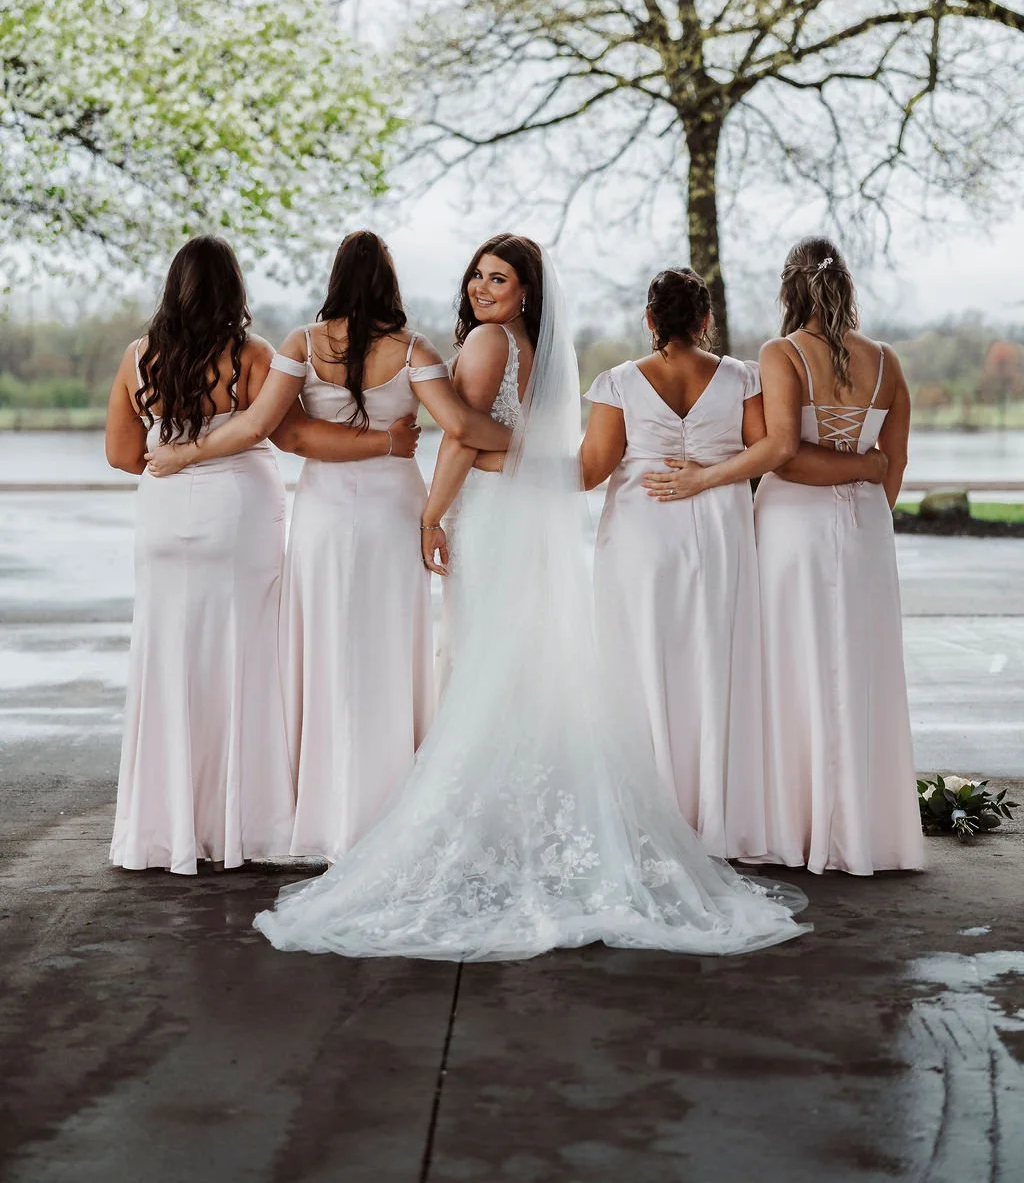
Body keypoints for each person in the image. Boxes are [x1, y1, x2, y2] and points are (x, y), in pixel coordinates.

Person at [250, 237, 809, 962]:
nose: (483, 288)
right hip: (528, 516)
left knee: (483, 665)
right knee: (521, 666)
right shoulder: (534, 344)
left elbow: (456, 435)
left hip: (490, 516)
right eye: (478, 274)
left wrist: (431, 517)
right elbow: (522, 440)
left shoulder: (486, 342)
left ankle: (485, 831)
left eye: (499, 278)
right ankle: (520, 823)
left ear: (525, 290)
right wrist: (497, 451)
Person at [146, 230, 512, 861]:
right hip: (392, 510)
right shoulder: (413, 349)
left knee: (320, 651)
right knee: (391, 652)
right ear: (388, 282)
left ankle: (318, 815)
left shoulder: (303, 344)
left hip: (321, 511)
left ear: (336, 278)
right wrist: (530, 445)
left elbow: (269, 429)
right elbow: (457, 426)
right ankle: (394, 806)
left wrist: (184, 453)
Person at [646, 238, 921, 875]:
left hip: (794, 523)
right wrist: (865, 491)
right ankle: (864, 832)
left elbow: (784, 453)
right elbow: (894, 463)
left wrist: (704, 478)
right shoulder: (887, 360)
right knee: (862, 666)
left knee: (788, 664)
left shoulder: (780, 353)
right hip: (868, 528)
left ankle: (796, 827)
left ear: (787, 291)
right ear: (846, 288)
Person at [105, 236, 294, 872]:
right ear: (233, 290)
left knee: (168, 659)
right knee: (245, 657)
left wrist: (172, 455)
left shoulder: (140, 358)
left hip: (163, 515)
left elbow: (122, 456)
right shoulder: (252, 356)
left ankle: (164, 830)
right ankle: (243, 827)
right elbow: (273, 431)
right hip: (238, 514)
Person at [579, 267, 775, 859]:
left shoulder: (618, 383)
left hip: (642, 536)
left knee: (640, 663)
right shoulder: (741, 377)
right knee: (714, 661)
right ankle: (714, 813)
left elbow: (589, 471)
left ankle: (649, 810)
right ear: (705, 320)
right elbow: (767, 448)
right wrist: (711, 474)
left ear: (649, 320)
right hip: (719, 532)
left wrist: (513, 464)